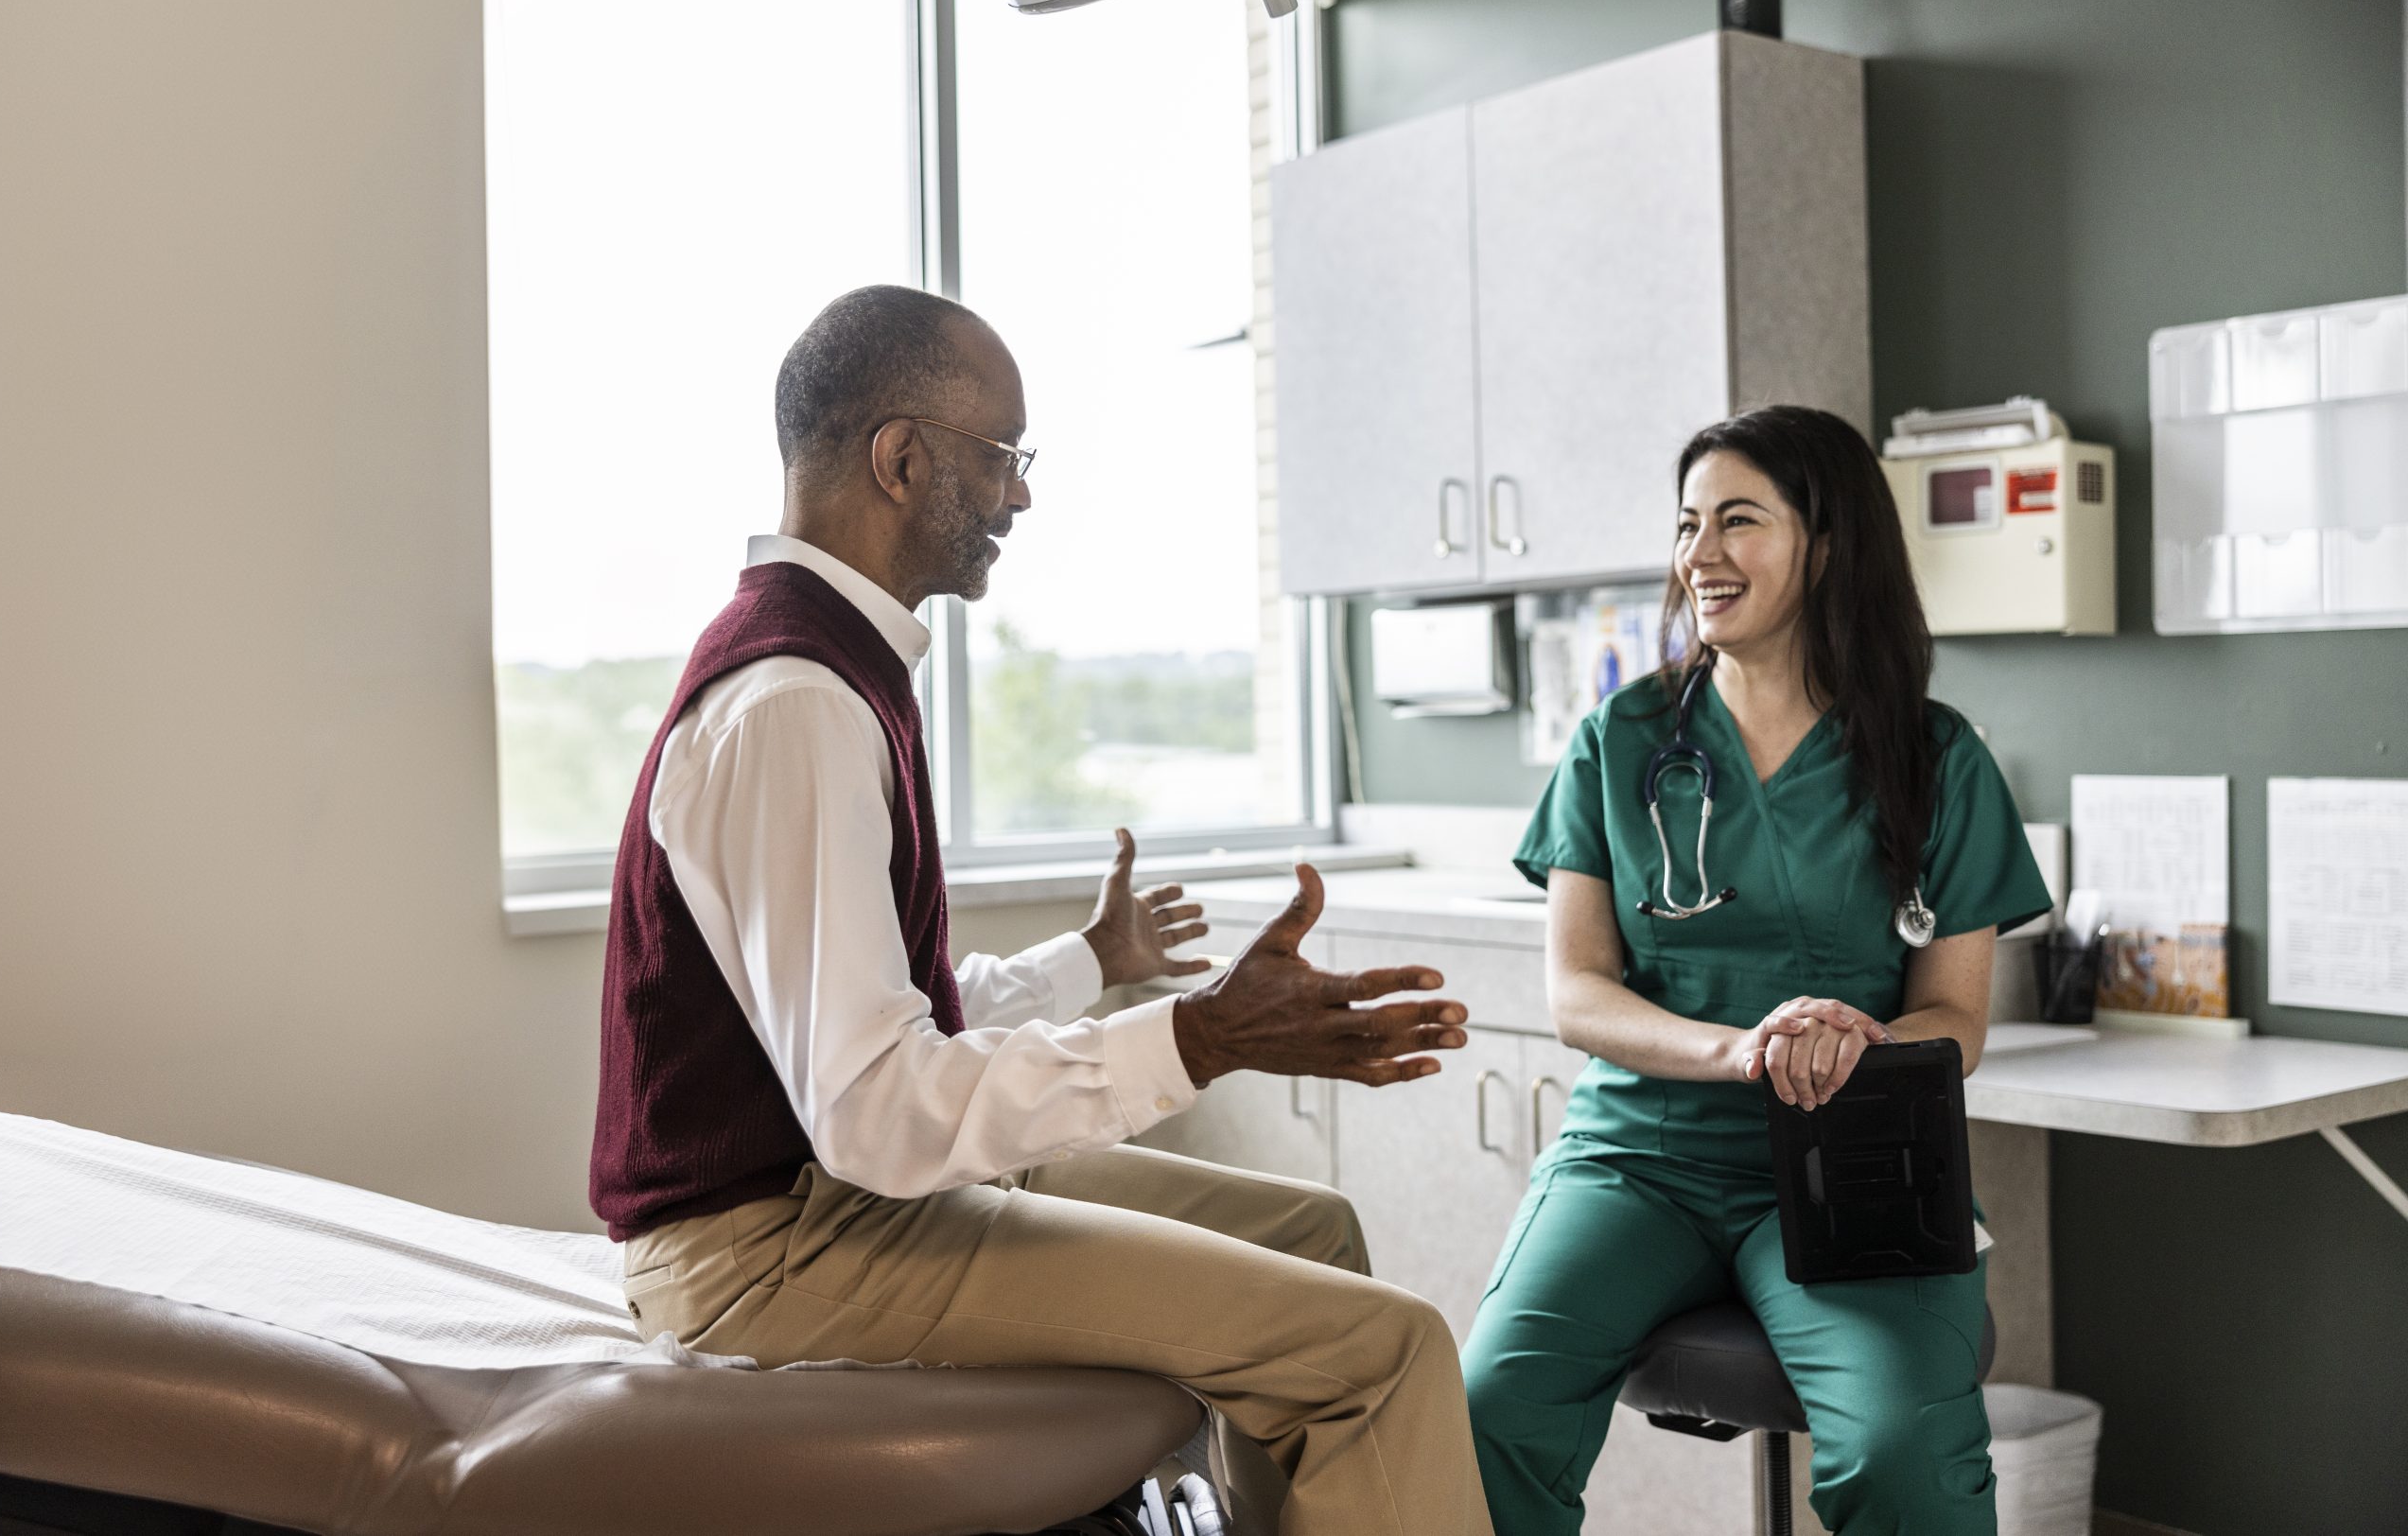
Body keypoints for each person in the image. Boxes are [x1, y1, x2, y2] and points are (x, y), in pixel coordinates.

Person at [589, 284, 1495, 1536]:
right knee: (1384, 1352)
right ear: (901, 460)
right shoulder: (799, 702)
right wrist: (1201, 1036)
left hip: (828, 1198)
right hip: (767, 1252)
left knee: (1316, 1233)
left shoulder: (831, 667)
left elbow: (877, 1022)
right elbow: (872, 1111)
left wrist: (1094, 961)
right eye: (1001, 454)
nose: (1019, 495)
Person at [1464, 406, 2052, 1535]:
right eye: (1687, 524)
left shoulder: (1934, 758)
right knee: (1489, 1409)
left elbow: (1955, 1016)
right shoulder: (1620, 740)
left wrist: (1858, 1044)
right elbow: (1577, 993)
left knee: (1901, 1452)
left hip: (1852, 1151)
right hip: (1639, 1155)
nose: (1700, 553)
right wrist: (1737, 1050)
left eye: (1737, 519)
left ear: (1826, 543)